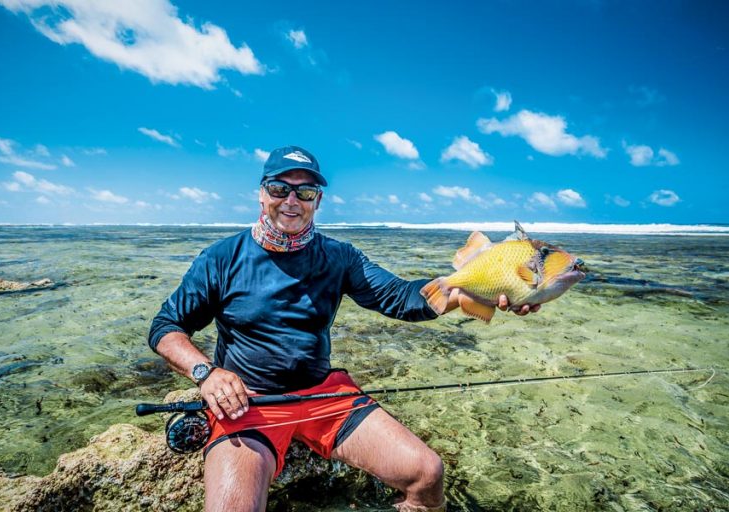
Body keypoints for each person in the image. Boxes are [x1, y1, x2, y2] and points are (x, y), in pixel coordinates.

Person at [148, 145, 538, 512]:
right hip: (250, 404)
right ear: (261, 194)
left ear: (318, 199)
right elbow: (166, 326)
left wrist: (488, 290)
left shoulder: (339, 256)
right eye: (280, 188)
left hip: (324, 396)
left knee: (427, 474)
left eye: (306, 192)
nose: (291, 200)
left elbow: (402, 298)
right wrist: (207, 373)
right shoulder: (221, 258)